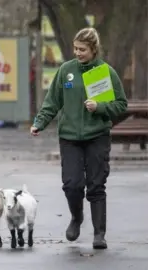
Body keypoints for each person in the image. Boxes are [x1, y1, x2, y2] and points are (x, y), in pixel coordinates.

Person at [30, 27, 127, 249]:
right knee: (72, 185)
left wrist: (100, 106)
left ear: (94, 49)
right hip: (70, 137)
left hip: (97, 136)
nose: (77, 53)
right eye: (75, 48)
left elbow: (121, 105)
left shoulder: (106, 72)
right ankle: (76, 217)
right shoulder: (66, 71)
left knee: (96, 185)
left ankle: (99, 234)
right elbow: (52, 101)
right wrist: (39, 123)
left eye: (82, 49)